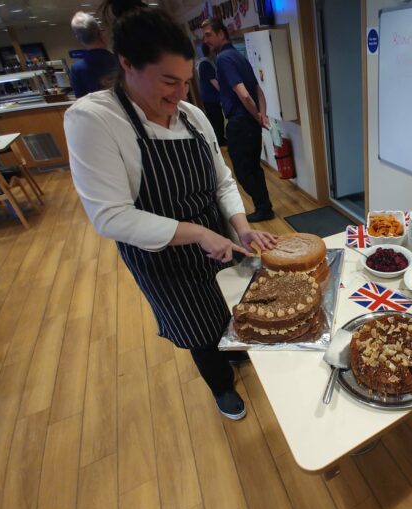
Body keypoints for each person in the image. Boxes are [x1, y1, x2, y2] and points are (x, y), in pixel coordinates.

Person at [64, 0, 277, 420]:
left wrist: (240, 227)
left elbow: (221, 181)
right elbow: (110, 216)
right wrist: (198, 233)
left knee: (229, 308)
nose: (180, 95)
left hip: (217, 239)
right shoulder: (94, 120)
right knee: (198, 327)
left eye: (185, 81)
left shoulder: (192, 116)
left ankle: (233, 353)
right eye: (168, 81)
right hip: (163, 256)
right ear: (126, 64)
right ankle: (221, 388)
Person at [202, 18, 274, 223]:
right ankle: (265, 206)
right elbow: (258, 89)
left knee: (243, 170)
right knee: (253, 167)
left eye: (208, 34)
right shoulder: (238, 56)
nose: (205, 39)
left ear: (221, 34)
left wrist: (257, 116)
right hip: (250, 123)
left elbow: (243, 94)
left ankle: (263, 207)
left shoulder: (224, 59)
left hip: (240, 123)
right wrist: (262, 115)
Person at [69, 11, 119, 97]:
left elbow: (81, 100)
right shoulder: (119, 60)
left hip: (95, 110)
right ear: (100, 33)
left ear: (79, 38)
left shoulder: (77, 69)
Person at [196, 43, 226, 146]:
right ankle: (220, 141)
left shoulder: (203, 62)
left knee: (215, 120)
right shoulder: (206, 64)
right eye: (212, 48)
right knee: (217, 120)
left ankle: (218, 140)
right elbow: (215, 83)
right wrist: (225, 91)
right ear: (210, 50)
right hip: (211, 99)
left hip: (207, 98)